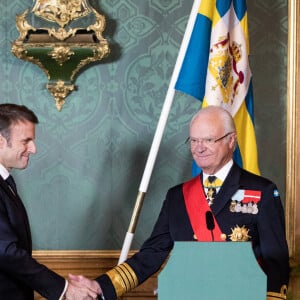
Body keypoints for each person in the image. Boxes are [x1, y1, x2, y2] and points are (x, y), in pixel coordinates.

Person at [70, 105, 290, 300]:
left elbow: (276, 261)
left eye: (208, 140)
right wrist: (100, 286)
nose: (199, 148)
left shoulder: (262, 191)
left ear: (231, 140)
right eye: (194, 140)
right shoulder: (178, 196)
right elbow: (152, 253)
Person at [0, 103, 101, 300]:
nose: (34, 149)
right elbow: (5, 250)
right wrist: (64, 289)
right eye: (26, 141)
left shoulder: (6, 183)